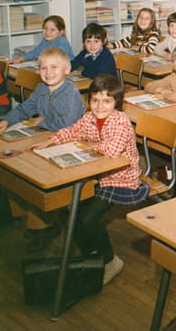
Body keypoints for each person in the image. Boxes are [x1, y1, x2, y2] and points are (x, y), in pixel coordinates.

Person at [29, 75, 148, 286]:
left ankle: (110, 261)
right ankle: (92, 255)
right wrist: (50, 141)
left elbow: (112, 150)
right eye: (95, 100)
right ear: (89, 100)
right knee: (68, 213)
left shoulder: (120, 121)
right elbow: (73, 131)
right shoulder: (90, 117)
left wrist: (90, 145)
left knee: (87, 219)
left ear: (117, 103)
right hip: (96, 176)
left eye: (107, 101)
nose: (100, 106)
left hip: (121, 179)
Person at [0, 47, 85, 253]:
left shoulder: (70, 93)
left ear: (67, 69)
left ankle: (44, 226)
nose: (48, 73)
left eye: (54, 67)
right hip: (47, 139)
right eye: (43, 68)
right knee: (14, 166)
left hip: (70, 144)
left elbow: (67, 125)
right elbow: (25, 108)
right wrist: (6, 120)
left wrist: (43, 121)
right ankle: (31, 218)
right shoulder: (42, 88)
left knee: (34, 175)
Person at [10, 15, 74, 63]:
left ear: (60, 32)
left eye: (52, 30)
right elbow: (35, 53)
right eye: (45, 29)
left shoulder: (62, 42)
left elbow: (55, 60)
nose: (47, 32)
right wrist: (19, 59)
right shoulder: (45, 40)